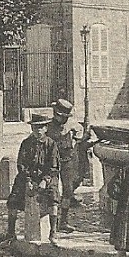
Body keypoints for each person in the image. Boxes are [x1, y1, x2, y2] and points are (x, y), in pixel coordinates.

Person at [2, 114, 61, 245]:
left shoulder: (51, 144)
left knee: (53, 198)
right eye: (35, 128)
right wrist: (28, 180)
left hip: (47, 177)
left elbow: (54, 166)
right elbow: (21, 164)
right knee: (13, 200)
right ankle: (11, 233)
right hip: (28, 176)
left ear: (46, 128)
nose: (38, 130)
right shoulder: (26, 143)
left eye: (41, 127)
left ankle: (53, 233)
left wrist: (45, 180)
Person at [46, 98, 79, 233]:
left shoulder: (70, 124)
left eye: (66, 117)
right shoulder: (47, 126)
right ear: (56, 114)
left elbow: (80, 132)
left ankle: (63, 221)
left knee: (68, 191)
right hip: (52, 161)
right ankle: (49, 222)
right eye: (62, 117)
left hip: (67, 160)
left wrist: (78, 138)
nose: (64, 120)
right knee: (51, 191)